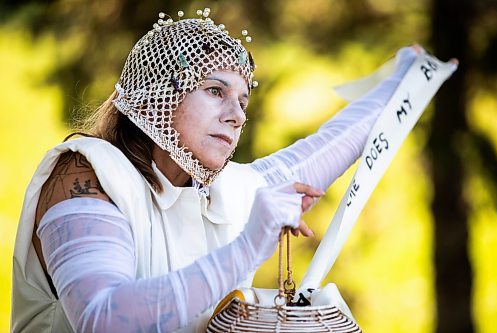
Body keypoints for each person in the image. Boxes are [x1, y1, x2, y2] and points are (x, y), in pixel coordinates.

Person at [11, 8, 421, 333]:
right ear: (157, 91)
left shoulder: (227, 191)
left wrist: (407, 76)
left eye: (243, 101)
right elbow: (100, 318)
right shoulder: (85, 173)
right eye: (215, 91)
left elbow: (334, 144)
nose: (237, 116)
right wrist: (246, 248)